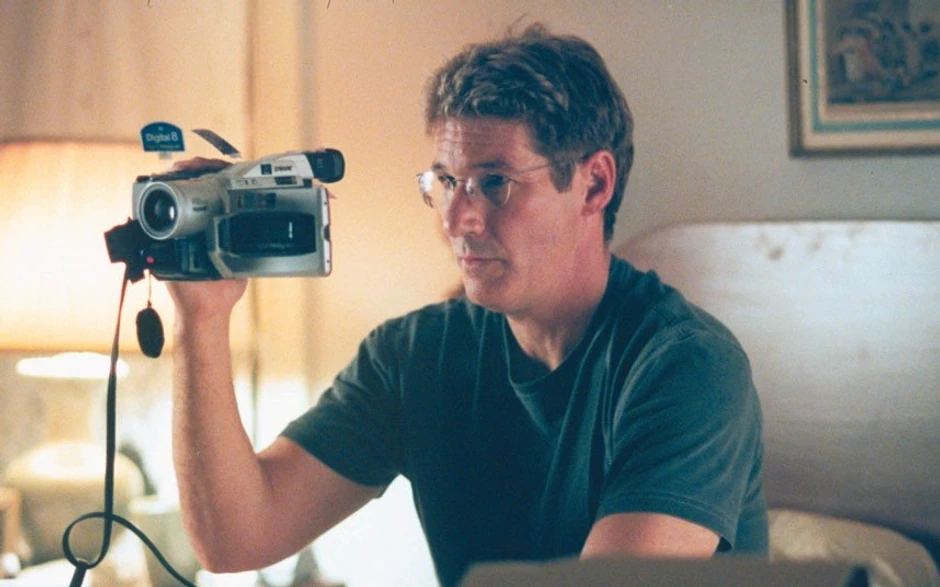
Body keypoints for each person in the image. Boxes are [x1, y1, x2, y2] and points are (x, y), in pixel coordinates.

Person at [167, 23, 768, 587]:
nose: (457, 220)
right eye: (446, 183)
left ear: (594, 184)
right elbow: (234, 540)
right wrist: (203, 318)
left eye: (494, 182)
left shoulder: (687, 368)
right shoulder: (414, 354)